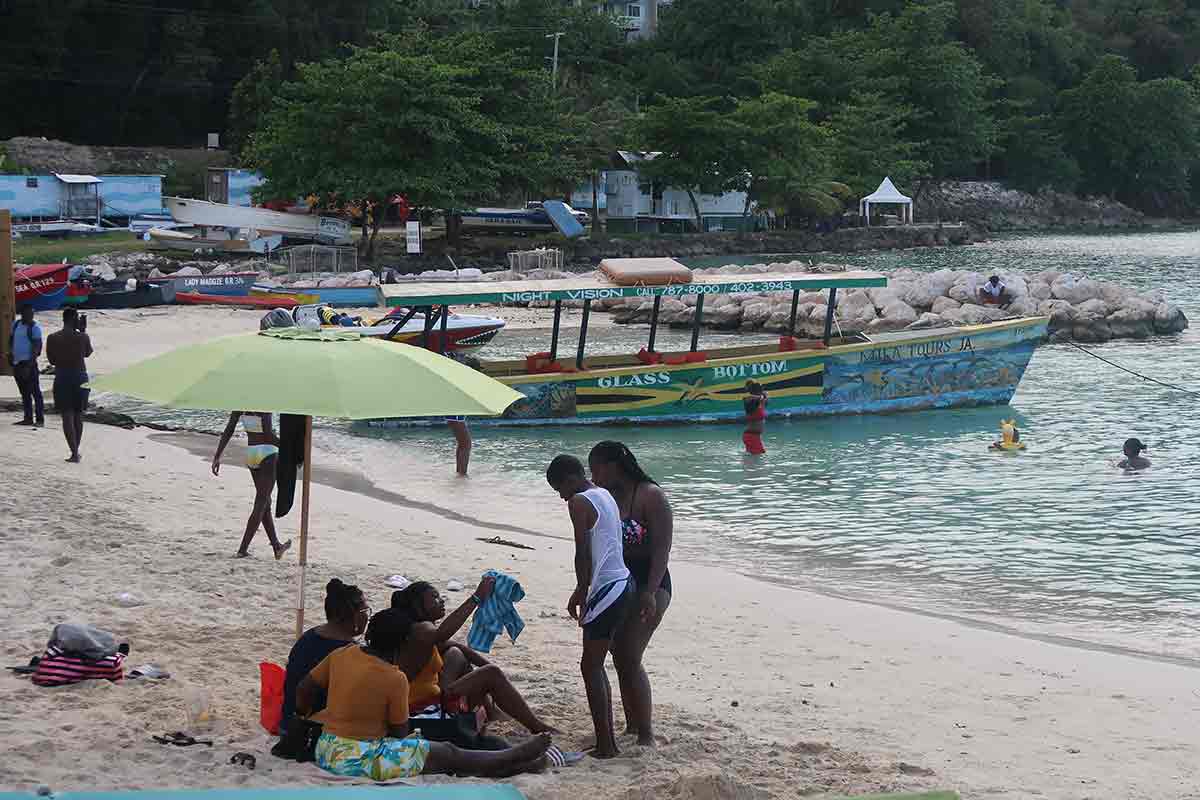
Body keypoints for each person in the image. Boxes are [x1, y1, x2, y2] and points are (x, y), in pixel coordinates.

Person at [297, 608, 557, 779]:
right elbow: (400, 733)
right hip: (355, 758)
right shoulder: (394, 677)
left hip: (327, 747)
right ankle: (512, 756)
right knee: (445, 754)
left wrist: (303, 715)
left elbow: (304, 688)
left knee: (443, 753)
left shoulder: (343, 653)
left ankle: (520, 765)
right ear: (403, 644)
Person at [546, 454, 632, 759]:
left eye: (559, 488)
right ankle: (607, 738)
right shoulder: (604, 494)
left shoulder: (579, 502)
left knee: (591, 666)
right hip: (624, 581)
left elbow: (582, 552)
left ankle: (607, 746)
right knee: (596, 665)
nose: (561, 496)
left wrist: (582, 591)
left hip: (607, 588)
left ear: (570, 478)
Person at [588, 441, 672, 747]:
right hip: (619, 586)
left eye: (596, 468)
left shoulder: (651, 496)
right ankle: (632, 725)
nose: (593, 477)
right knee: (618, 655)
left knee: (630, 655)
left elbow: (662, 550)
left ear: (613, 465)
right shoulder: (605, 498)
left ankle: (646, 733)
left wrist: (650, 592)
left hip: (652, 582)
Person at [390, 578, 555, 734]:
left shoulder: (423, 633)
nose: (441, 600)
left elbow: (456, 646)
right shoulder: (419, 630)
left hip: (429, 698)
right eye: (434, 598)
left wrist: (498, 678)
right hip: (420, 709)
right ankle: (536, 727)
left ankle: (492, 711)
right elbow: (443, 634)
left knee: (457, 655)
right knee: (490, 673)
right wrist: (476, 597)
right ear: (418, 606)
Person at [281, 578, 370, 732]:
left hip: (289, 724)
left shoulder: (309, 636)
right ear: (351, 615)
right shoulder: (348, 652)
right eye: (364, 611)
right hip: (315, 732)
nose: (367, 616)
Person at [211, 411, 292, 559]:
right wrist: (289, 450)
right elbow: (268, 435)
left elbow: (229, 429)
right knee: (261, 503)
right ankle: (242, 550)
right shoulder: (264, 404)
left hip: (252, 453)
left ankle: (276, 546)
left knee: (265, 502)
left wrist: (217, 455)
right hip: (268, 454)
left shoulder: (241, 404)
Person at [45, 307, 92, 462]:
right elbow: (87, 353)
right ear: (74, 319)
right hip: (80, 376)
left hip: (62, 376)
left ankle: (73, 452)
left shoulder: (52, 338)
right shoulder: (82, 337)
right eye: (77, 318)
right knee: (78, 414)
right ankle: (75, 451)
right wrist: (83, 331)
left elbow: (51, 360)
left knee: (67, 415)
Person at [9, 305, 45, 428]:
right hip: (17, 363)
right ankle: (28, 418)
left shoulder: (35, 328)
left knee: (35, 393)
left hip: (29, 364)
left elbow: (37, 348)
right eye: (28, 314)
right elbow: (11, 339)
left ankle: (40, 419)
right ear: (22, 313)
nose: (31, 316)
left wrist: (29, 365)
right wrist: (10, 353)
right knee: (24, 393)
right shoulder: (15, 325)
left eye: (32, 314)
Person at [742, 380, 768, 455]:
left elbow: (766, 401)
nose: (762, 391)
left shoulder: (760, 402)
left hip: (754, 436)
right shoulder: (749, 400)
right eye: (761, 389)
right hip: (751, 436)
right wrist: (762, 396)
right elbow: (749, 399)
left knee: (757, 459)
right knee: (758, 459)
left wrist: (764, 396)